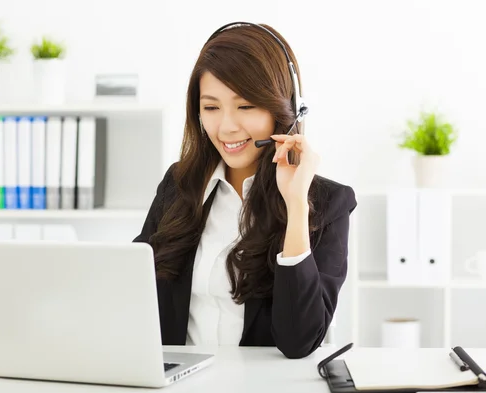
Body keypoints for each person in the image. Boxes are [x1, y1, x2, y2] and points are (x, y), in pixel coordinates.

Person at [133, 22, 357, 359]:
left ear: (287, 110)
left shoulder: (327, 203)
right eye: (211, 107)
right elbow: (133, 291)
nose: (226, 126)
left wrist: (296, 205)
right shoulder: (179, 187)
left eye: (246, 106)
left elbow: (299, 341)